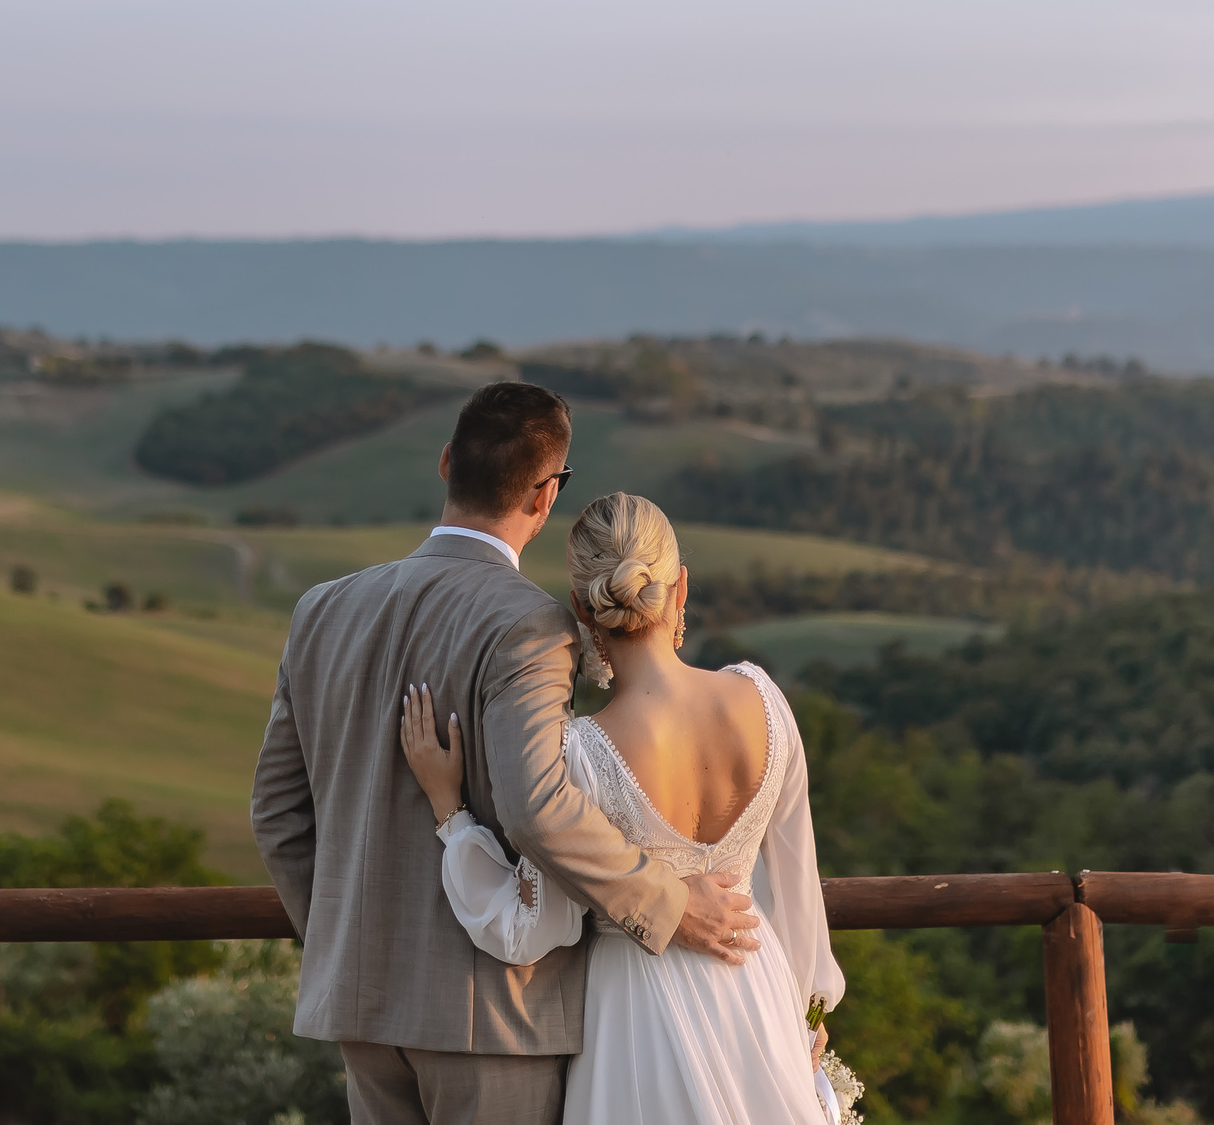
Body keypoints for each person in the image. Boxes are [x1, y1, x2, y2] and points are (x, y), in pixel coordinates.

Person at [253, 383, 764, 1125]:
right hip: (493, 1013)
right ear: (546, 493)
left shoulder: (322, 608)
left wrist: (345, 941)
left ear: (446, 462)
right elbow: (536, 805)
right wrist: (670, 904)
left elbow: (275, 814)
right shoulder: (532, 624)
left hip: (358, 1009)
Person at [397, 492, 844, 1125]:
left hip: (638, 1016)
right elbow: (799, 896)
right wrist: (804, 1019)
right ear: (679, 586)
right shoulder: (765, 702)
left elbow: (527, 929)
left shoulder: (577, 754)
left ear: (581, 607)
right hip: (757, 987)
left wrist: (450, 812)